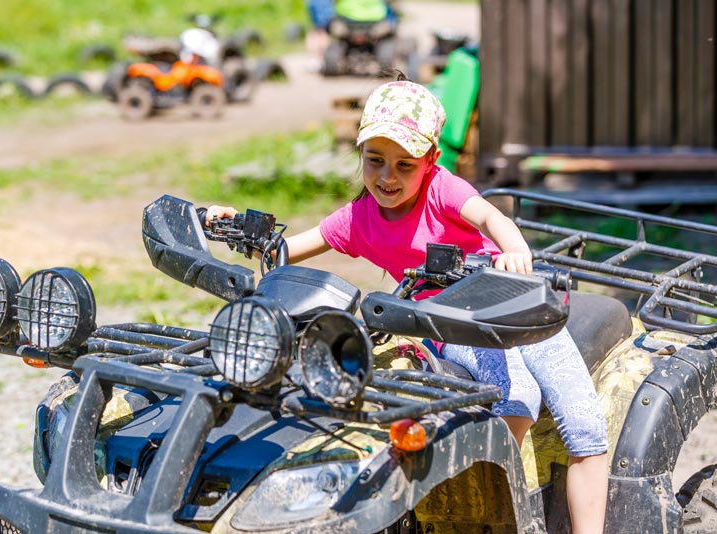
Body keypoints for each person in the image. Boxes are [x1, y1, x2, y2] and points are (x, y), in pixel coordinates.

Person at [204, 78, 608, 534]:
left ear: (431, 160)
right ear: (361, 155)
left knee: (585, 427)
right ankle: (494, 515)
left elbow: (492, 217)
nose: (387, 177)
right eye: (374, 160)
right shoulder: (358, 219)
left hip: (520, 308)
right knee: (516, 400)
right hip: (457, 327)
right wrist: (234, 225)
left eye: (404, 164)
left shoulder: (443, 189)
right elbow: (287, 250)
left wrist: (515, 251)